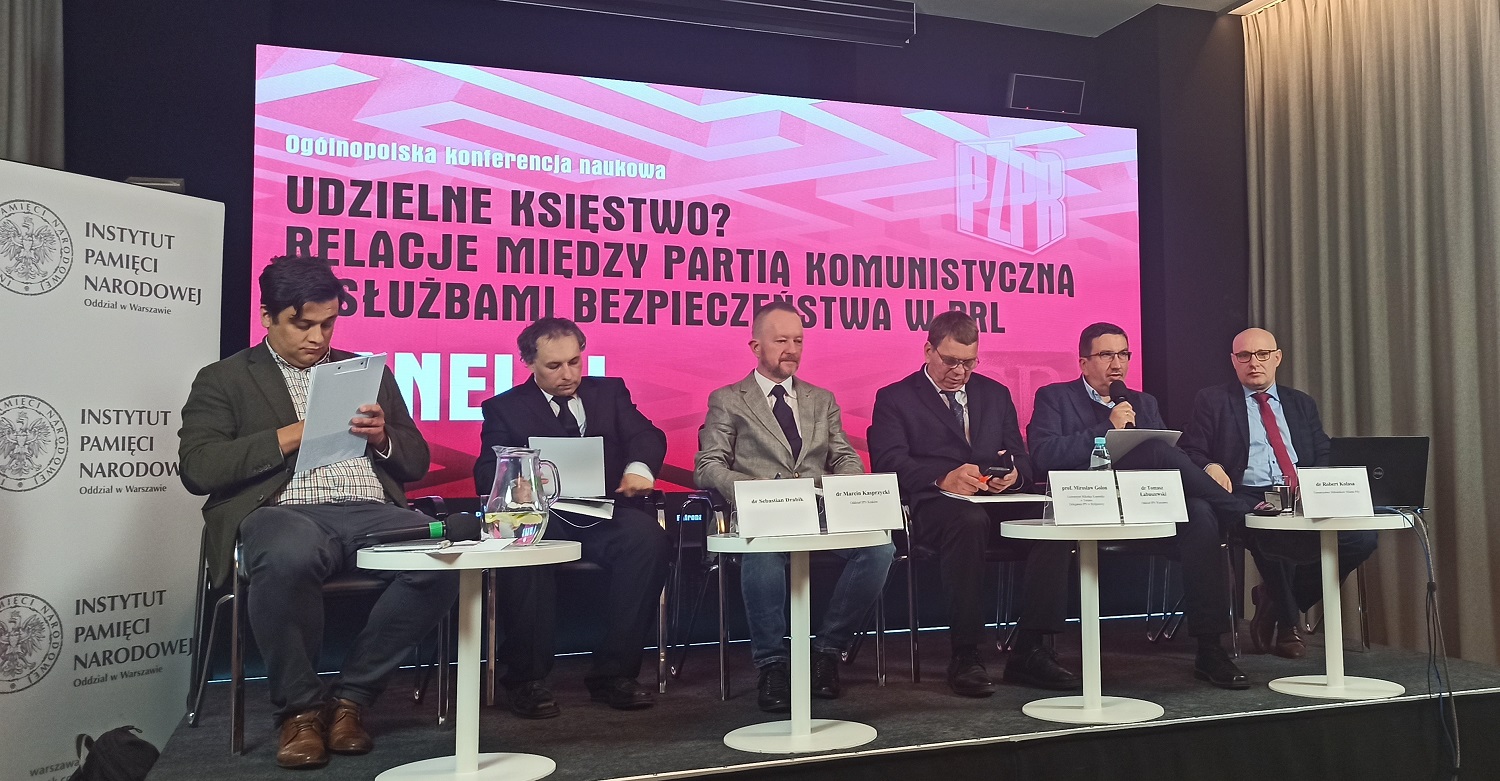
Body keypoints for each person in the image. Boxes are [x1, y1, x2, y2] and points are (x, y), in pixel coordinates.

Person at [178, 256, 459, 770]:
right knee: (290, 551)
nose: (317, 337)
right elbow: (198, 467)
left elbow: (416, 462)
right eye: (302, 324)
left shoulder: (367, 374)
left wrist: (383, 438)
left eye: (328, 324)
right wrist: (292, 434)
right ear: (267, 316)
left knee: (443, 552)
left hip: (369, 510)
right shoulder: (224, 379)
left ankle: (351, 700)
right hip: (282, 511)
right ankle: (300, 712)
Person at [694, 302, 895, 713]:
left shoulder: (822, 400)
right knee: (763, 551)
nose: (791, 349)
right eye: (781, 340)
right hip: (762, 511)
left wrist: (847, 486)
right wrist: (752, 490)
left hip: (819, 510)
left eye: (798, 341)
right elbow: (708, 465)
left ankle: (827, 652)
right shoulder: (728, 400)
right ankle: (772, 665)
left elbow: (844, 456)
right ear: (756, 346)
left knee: (880, 548)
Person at [1027, 322, 1249, 689]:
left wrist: (1204, 465)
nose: (1117, 364)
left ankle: (1210, 649)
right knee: (1157, 450)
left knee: (1200, 514)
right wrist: (1105, 428)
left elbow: (1168, 464)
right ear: (1083, 363)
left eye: (1123, 354)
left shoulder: (1144, 403)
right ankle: (1238, 513)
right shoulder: (1055, 397)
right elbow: (1043, 455)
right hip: (1085, 502)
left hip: (1142, 503)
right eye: (1106, 355)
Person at [867, 311, 1078, 696]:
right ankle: (966, 653)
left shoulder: (994, 394)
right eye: (951, 361)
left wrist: (1013, 475)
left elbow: (1022, 456)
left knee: (1051, 517)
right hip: (933, 505)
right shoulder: (896, 398)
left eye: (969, 362)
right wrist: (941, 478)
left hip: (993, 500)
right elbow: (888, 461)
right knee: (968, 520)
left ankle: (1030, 648)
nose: (960, 372)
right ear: (928, 351)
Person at [473, 317, 670, 717]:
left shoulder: (609, 393)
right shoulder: (505, 408)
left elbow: (647, 435)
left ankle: (614, 674)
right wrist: (513, 480)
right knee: (524, 547)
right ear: (529, 363)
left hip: (602, 512)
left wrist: (638, 468)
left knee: (647, 538)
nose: (568, 375)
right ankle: (526, 680)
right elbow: (485, 470)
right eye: (554, 366)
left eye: (574, 362)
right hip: (544, 516)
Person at [1178, 327, 1377, 658]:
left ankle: (1275, 599)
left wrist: (1319, 486)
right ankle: (1288, 623)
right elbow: (1191, 449)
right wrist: (1210, 465)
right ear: (1233, 361)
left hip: (1300, 494)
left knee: (1362, 537)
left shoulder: (1300, 403)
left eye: (1262, 354)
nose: (1253, 362)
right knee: (1274, 533)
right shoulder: (1213, 400)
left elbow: (1323, 451)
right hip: (1245, 494)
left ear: (1277, 358)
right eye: (1244, 355)